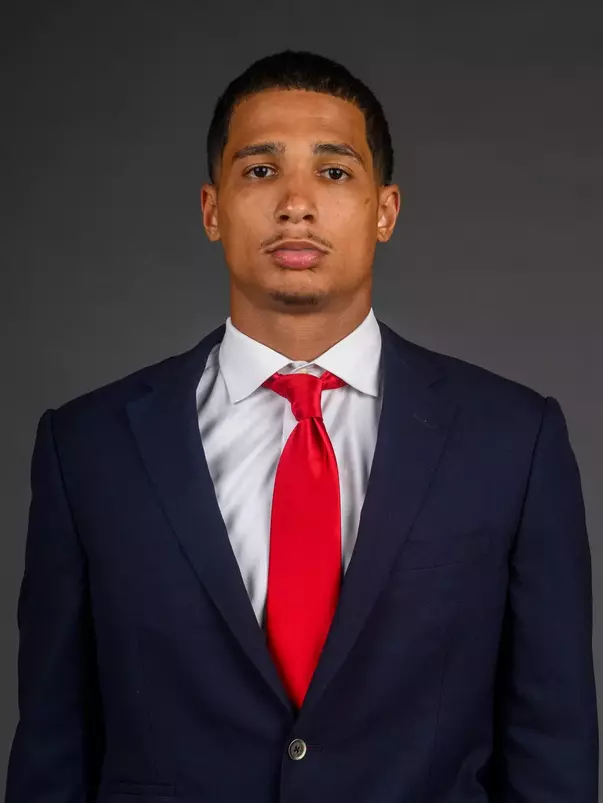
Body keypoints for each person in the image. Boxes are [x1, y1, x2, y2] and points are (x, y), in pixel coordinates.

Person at [5, 49, 598, 803]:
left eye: (333, 170)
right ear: (211, 209)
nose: (295, 203)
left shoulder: (513, 441)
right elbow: (51, 748)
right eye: (258, 171)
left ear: (384, 210)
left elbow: (553, 746)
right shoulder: (86, 447)